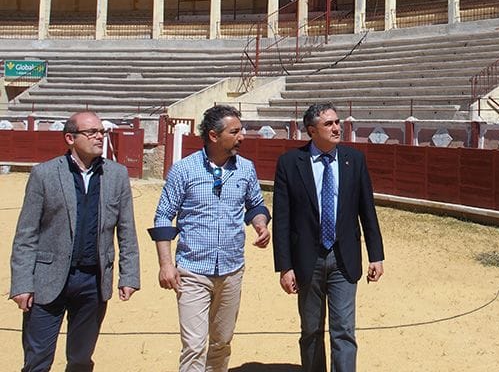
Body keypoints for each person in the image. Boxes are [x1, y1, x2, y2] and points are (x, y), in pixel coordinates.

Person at [9, 111, 140, 372]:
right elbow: (26, 234)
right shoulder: (44, 174)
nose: (99, 137)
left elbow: (126, 230)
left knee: (81, 360)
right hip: (47, 279)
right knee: (37, 360)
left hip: (93, 280)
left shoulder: (116, 175)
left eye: (101, 132)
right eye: (92, 132)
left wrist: (130, 275)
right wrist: (22, 283)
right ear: (70, 138)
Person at [148, 104, 270, 372]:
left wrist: (260, 225)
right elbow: (162, 217)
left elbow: (256, 205)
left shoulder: (246, 169)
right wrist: (166, 265)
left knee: (221, 342)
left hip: (231, 270)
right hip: (192, 271)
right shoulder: (183, 170)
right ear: (214, 136)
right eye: (235, 131)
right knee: (194, 346)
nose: (242, 136)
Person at [273, 102, 385, 372]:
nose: (337, 128)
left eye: (337, 122)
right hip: (306, 259)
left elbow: (366, 210)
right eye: (329, 124)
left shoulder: (354, 160)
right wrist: (285, 266)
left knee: (344, 330)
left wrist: (376, 255)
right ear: (312, 130)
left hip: (343, 255)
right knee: (311, 330)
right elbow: (282, 219)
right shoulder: (290, 163)